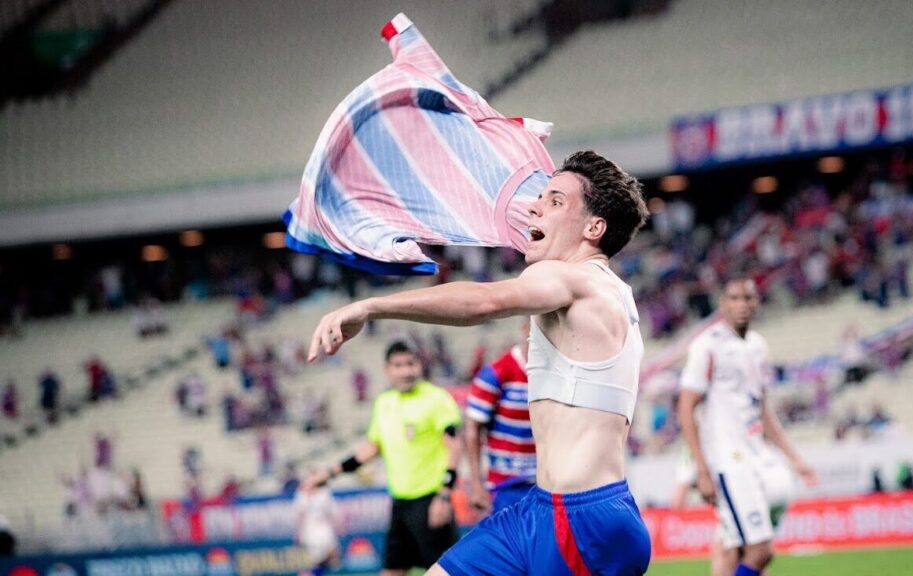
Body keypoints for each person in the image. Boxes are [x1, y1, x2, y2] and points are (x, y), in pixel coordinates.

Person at [306, 151, 651, 575]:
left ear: (594, 229)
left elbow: (485, 302)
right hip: (543, 508)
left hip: (581, 521)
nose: (535, 206)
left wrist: (370, 306)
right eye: (540, 197)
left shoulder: (572, 277)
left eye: (555, 200)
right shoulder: (612, 293)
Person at [678, 276, 819, 576]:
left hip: (758, 456)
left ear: (757, 303)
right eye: (734, 298)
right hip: (729, 462)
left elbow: (762, 410)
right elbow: (686, 406)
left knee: (732, 548)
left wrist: (795, 458)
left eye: (748, 298)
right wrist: (701, 469)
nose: (741, 305)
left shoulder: (757, 346)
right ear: (722, 304)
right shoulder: (707, 346)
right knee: (760, 551)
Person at [304, 341, 463, 575]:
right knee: (391, 571)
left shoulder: (436, 398)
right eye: (398, 365)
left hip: (431, 501)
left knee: (446, 572)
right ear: (387, 369)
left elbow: (454, 446)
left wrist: (444, 495)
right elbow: (371, 448)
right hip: (400, 504)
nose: (406, 371)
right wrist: (328, 474)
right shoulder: (384, 403)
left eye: (410, 363)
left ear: (420, 365)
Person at [465, 319, 536, 516]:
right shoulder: (497, 372)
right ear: (526, 329)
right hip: (506, 487)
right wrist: (476, 484)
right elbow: (472, 428)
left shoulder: (558, 373)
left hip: (547, 486)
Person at [295, 485, 340, 576]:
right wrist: (299, 533)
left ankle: (310, 573)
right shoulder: (302, 495)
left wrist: (337, 525)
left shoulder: (324, 493)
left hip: (324, 529)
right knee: (317, 559)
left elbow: (331, 512)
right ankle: (309, 573)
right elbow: (300, 515)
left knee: (332, 558)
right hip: (310, 532)